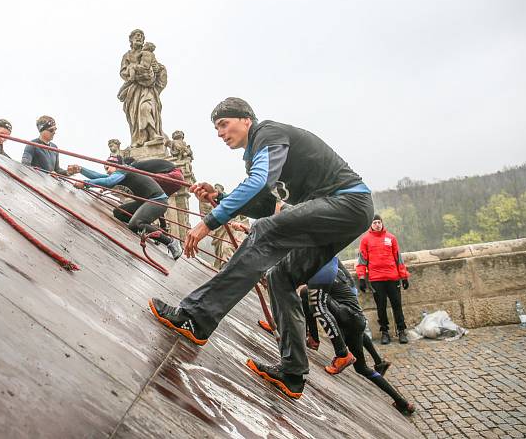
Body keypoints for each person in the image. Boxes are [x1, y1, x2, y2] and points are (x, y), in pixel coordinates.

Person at [148, 97, 373, 400]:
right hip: (347, 211)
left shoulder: (267, 133)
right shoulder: (258, 153)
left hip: (348, 201)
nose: (220, 133)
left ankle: (196, 318)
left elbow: (258, 183)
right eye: (216, 128)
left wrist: (210, 221)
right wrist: (219, 196)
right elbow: (268, 203)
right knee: (282, 276)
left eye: (223, 124)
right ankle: (293, 373)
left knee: (264, 234)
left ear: (246, 119)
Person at [302, 267, 415, 415]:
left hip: (345, 317)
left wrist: (313, 335)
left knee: (307, 293)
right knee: (361, 368)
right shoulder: (332, 265)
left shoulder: (318, 276)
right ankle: (402, 402)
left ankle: (323, 343)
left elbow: (314, 305)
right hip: (357, 319)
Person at [68, 156, 183, 260]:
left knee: (135, 223)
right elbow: (101, 177)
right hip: (145, 201)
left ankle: (171, 242)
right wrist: (81, 169)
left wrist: (86, 183)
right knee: (119, 212)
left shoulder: (124, 169)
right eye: (105, 168)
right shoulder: (120, 174)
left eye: (108, 167)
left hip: (158, 200)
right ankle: (149, 229)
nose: (106, 170)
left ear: (117, 165)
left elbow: (109, 181)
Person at [357, 214, 411, 344]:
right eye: (374, 222)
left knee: (397, 305)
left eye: (379, 222)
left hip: (393, 277)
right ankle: (385, 332)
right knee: (381, 307)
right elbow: (362, 260)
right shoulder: (365, 240)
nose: (377, 224)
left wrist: (404, 276)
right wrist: (362, 278)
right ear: (371, 225)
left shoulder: (391, 238)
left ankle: (401, 331)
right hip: (376, 279)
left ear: (382, 223)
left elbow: (398, 258)